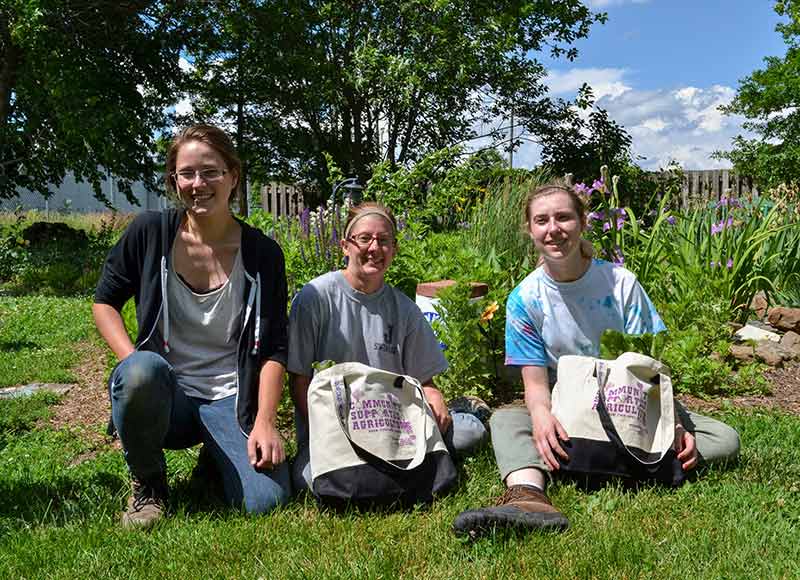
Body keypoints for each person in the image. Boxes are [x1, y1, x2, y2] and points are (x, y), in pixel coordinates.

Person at [453, 182, 740, 536]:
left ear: (583, 222)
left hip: (630, 399)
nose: (553, 229)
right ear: (529, 230)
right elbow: (536, 385)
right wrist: (541, 417)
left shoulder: (621, 284)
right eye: (541, 220)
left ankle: (598, 460)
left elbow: (650, 368)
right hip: (569, 406)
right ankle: (528, 496)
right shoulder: (524, 299)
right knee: (506, 422)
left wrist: (674, 425)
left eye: (563, 217)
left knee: (723, 438)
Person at [94, 124, 291, 528]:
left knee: (265, 500)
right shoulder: (150, 233)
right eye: (186, 173)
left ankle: (216, 458)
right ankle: (149, 485)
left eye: (211, 172)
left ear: (233, 176)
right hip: (169, 396)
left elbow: (274, 347)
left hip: (230, 398)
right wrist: (132, 363)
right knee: (140, 372)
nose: (198, 184)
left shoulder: (263, 254)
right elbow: (104, 303)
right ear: (174, 180)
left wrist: (266, 421)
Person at [287, 201, 488, 493]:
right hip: (334, 430)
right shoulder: (314, 298)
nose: (374, 248)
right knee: (307, 480)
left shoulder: (404, 309)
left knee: (470, 432)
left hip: (392, 427)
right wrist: (331, 433)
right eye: (364, 238)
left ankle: (466, 411)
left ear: (394, 249)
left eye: (384, 240)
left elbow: (425, 382)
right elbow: (299, 381)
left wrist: (435, 399)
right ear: (345, 246)